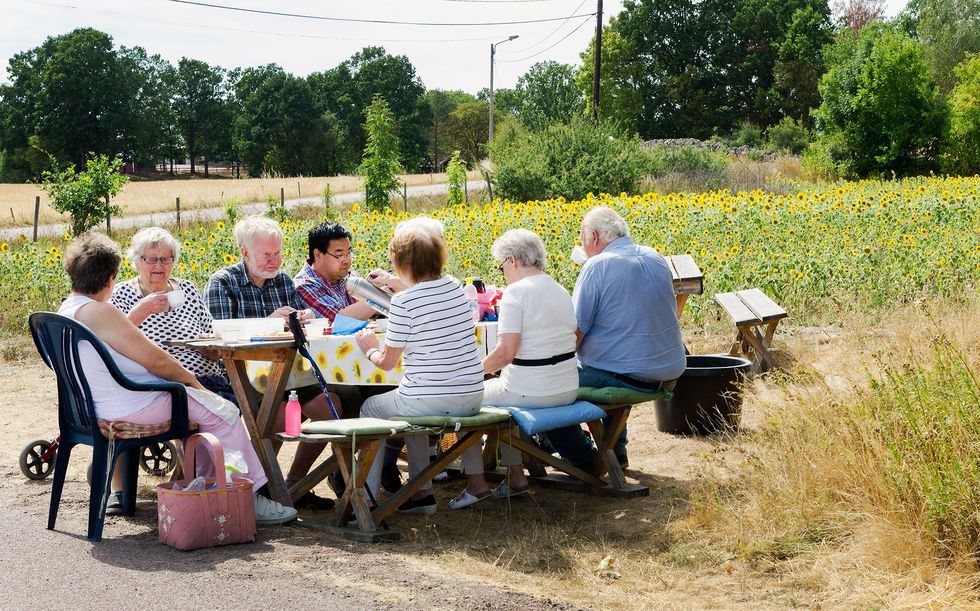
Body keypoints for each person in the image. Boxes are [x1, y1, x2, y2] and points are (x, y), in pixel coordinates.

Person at [56, 233, 296, 526]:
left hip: (98, 404)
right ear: (111, 277)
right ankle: (247, 497)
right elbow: (154, 359)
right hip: (133, 402)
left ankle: (212, 492)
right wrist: (192, 383)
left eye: (165, 259)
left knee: (212, 413)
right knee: (226, 413)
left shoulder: (64, 311)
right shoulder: (102, 311)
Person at [204, 215, 338, 511]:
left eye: (277, 253)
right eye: (267, 254)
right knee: (275, 414)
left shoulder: (284, 282)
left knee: (333, 407)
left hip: (287, 374)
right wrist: (268, 324)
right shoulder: (223, 283)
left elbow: (294, 332)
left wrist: (303, 320)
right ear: (245, 252)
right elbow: (221, 344)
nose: (274, 260)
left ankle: (295, 484)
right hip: (240, 376)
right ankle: (260, 487)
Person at [354, 224, 485, 515]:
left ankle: (366, 499)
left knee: (369, 409)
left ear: (402, 262)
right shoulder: (457, 288)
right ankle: (421, 492)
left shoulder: (404, 302)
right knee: (411, 407)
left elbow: (388, 364)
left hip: (427, 399)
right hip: (473, 395)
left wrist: (370, 349)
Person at [548, 206, 686, 469]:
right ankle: (614, 449)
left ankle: (583, 459)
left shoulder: (597, 267)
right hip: (670, 370)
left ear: (595, 237)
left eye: (583, 239)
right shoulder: (655, 256)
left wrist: (552, 363)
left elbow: (575, 332)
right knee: (609, 360)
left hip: (629, 374)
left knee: (543, 386)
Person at [477, 229, 580, 498]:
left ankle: (473, 482)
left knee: (464, 396)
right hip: (567, 388)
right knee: (504, 391)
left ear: (511, 261)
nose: (503, 274)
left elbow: (505, 353)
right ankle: (514, 475)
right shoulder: (559, 289)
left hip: (533, 392)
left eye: (501, 268)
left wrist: (471, 372)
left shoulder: (516, 293)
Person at [110, 227, 235, 404]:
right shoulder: (122, 293)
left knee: (239, 404)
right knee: (223, 412)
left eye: (165, 259)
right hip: (160, 386)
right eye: (152, 259)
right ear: (137, 261)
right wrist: (142, 310)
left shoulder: (188, 290)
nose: (159, 266)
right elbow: (113, 342)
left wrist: (210, 347)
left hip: (208, 381)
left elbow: (216, 347)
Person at [293, 221, 377, 322]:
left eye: (349, 253)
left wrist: (388, 288)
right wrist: (379, 299)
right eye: (340, 255)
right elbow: (339, 319)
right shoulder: (304, 285)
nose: (347, 261)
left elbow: (379, 312)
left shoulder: (351, 277)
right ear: (318, 254)